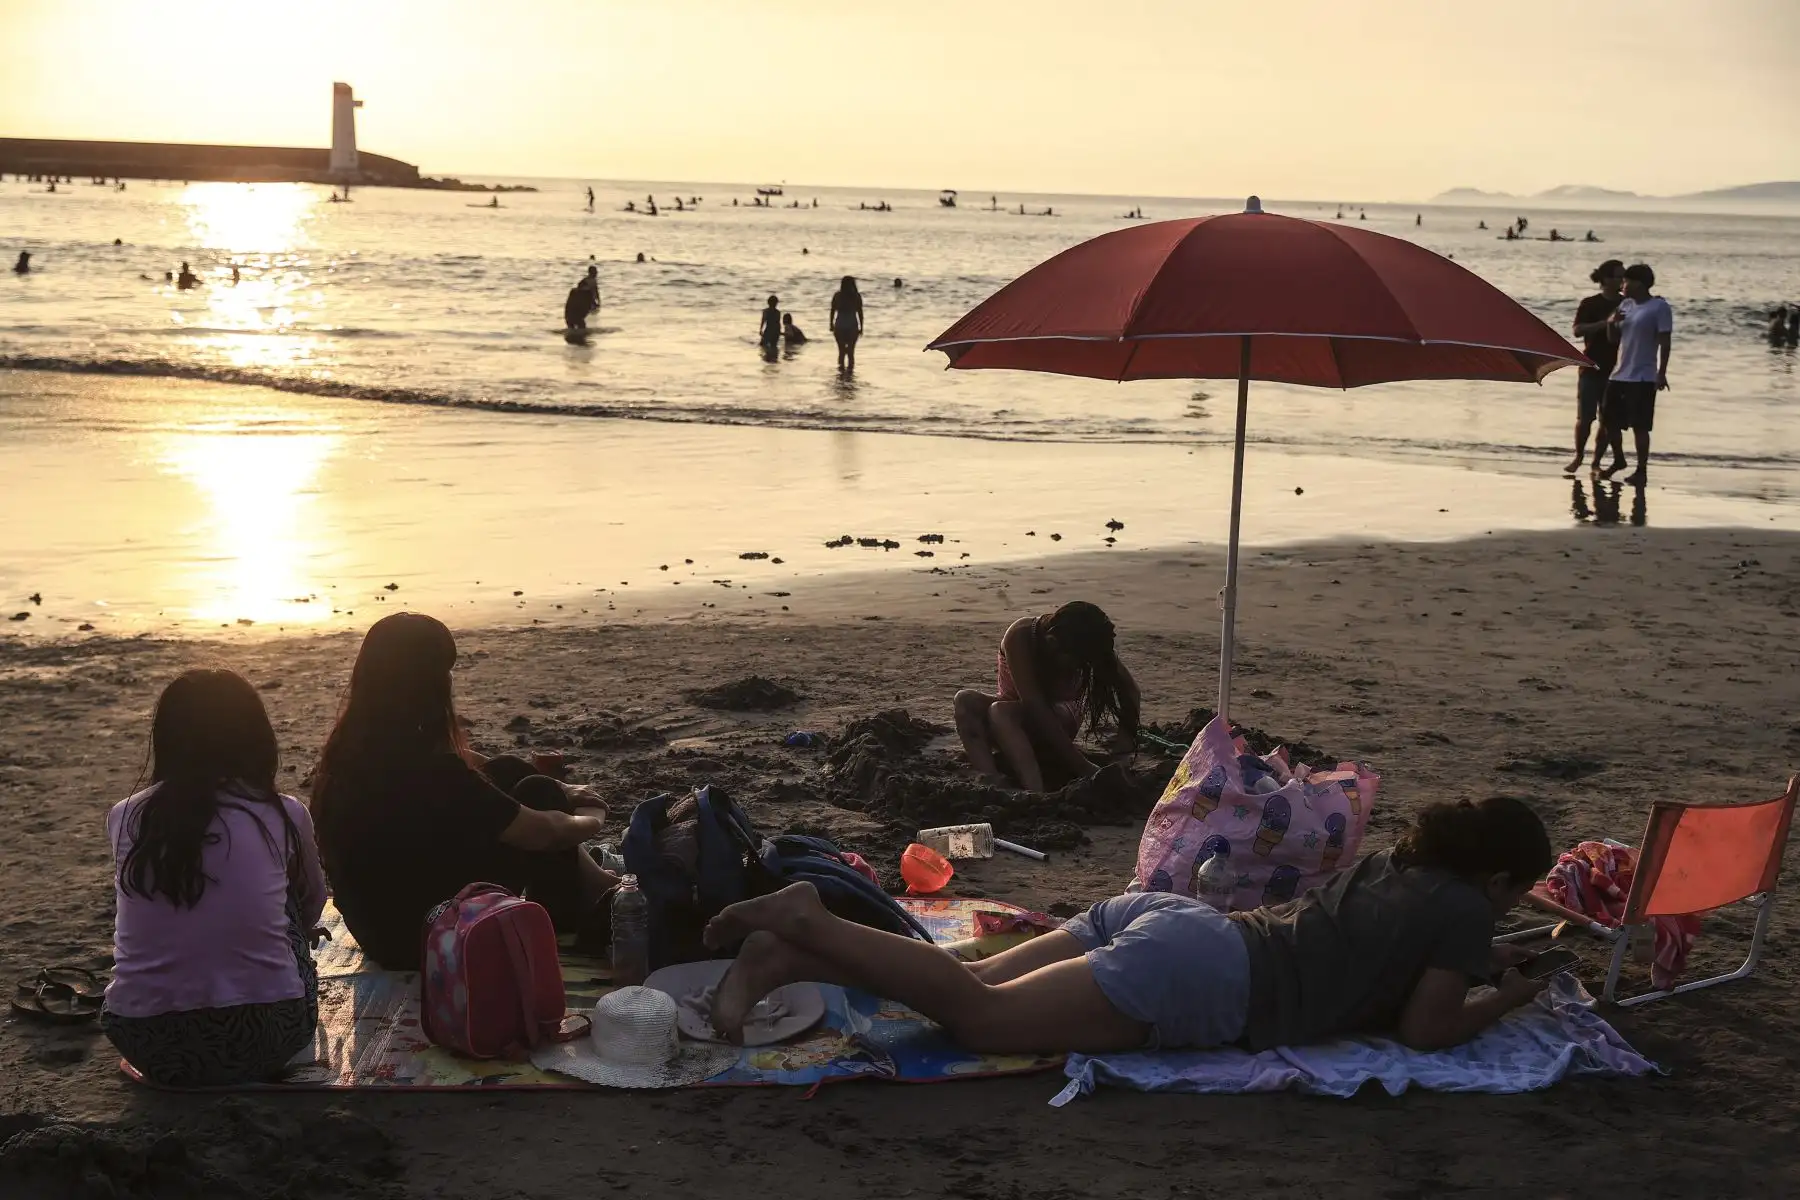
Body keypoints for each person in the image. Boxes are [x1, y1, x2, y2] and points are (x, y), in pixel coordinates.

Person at [704, 797, 1556, 1055]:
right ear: (1494, 878)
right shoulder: (1462, 910)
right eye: (1513, 896)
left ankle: (781, 956)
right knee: (980, 1018)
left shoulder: (1399, 868)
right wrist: (1504, 997)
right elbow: (1427, 1027)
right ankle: (807, 916)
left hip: (1177, 923)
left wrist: (1481, 955)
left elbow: (1388, 947)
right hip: (1204, 979)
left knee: (969, 984)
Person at [310, 614, 616, 969]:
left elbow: (468, 762)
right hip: (427, 939)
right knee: (539, 795)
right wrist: (593, 815)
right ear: (427, 684)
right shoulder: (436, 776)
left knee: (506, 770)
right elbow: (545, 833)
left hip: (376, 929)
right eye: (445, 670)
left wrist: (564, 788)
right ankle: (571, 912)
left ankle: (593, 880)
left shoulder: (351, 748)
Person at [101, 670, 324, 1087]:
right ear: (257, 737)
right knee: (287, 902)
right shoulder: (283, 813)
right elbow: (313, 903)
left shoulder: (126, 814)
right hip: (269, 1035)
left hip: (144, 1040)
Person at [952, 602, 1139, 793]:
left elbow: (1130, 690)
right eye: (1075, 660)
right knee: (965, 701)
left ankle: (1034, 791)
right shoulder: (1020, 636)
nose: (1077, 665)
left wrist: (1124, 742)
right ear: (1052, 641)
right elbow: (1032, 704)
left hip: (1059, 719)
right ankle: (991, 779)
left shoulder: (1089, 644)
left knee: (1001, 712)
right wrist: (1084, 766)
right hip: (1011, 722)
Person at [1596, 263, 1672, 487]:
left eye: (1626, 281)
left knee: (1640, 425)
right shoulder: (1626, 305)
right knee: (1608, 420)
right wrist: (1612, 323)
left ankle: (1641, 470)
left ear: (1639, 283)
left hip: (1643, 375)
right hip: (1620, 372)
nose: (1623, 285)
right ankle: (1619, 459)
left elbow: (1665, 342)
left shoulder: (1659, 307)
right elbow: (1613, 339)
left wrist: (1662, 372)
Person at [1566, 260, 1624, 474]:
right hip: (1591, 365)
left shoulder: (1626, 303)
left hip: (1618, 369)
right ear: (1606, 279)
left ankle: (1596, 462)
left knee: (1608, 420)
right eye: (1618, 276)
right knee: (1585, 417)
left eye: (1623, 276)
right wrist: (1605, 323)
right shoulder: (1590, 303)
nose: (1622, 280)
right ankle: (1579, 456)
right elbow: (1577, 330)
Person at [829, 276, 863, 373]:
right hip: (852, 326)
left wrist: (831, 324)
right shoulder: (856, 296)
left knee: (841, 352)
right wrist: (861, 327)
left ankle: (841, 373)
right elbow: (860, 313)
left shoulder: (837, 296)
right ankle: (850, 375)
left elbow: (832, 311)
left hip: (839, 326)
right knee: (851, 353)